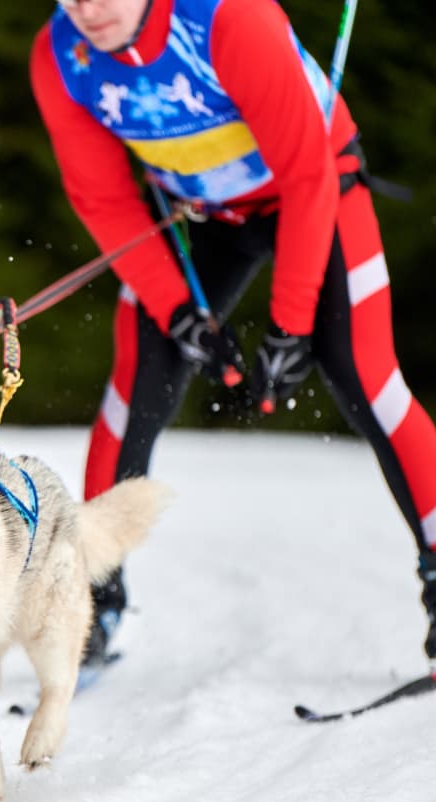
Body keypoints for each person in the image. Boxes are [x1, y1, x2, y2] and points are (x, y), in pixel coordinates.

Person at [28, 0, 436, 673]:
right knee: (144, 376)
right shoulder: (61, 54)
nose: (88, 10)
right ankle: (90, 601)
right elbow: (102, 198)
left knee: (362, 373)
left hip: (316, 189)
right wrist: (179, 311)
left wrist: (290, 322)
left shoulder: (226, 19)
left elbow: (307, 176)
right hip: (203, 213)